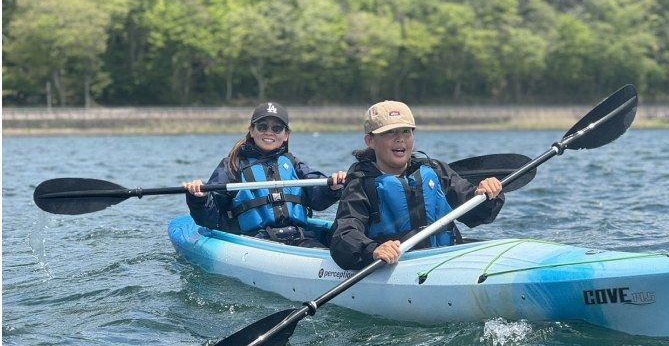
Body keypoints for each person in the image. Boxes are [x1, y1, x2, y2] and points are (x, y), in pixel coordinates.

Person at [329, 100, 504, 269]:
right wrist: (373, 250)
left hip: (443, 259)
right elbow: (344, 235)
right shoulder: (361, 184)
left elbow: (479, 214)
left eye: (406, 131)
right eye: (390, 132)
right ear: (370, 141)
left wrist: (487, 194)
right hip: (394, 265)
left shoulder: (435, 171)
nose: (400, 139)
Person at [183, 102, 346, 248]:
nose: (269, 132)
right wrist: (199, 198)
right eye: (262, 127)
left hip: (300, 238)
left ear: (286, 135)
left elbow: (318, 197)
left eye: (277, 128)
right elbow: (211, 218)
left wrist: (333, 187)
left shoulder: (294, 164)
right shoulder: (232, 164)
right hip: (254, 242)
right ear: (252, 131)